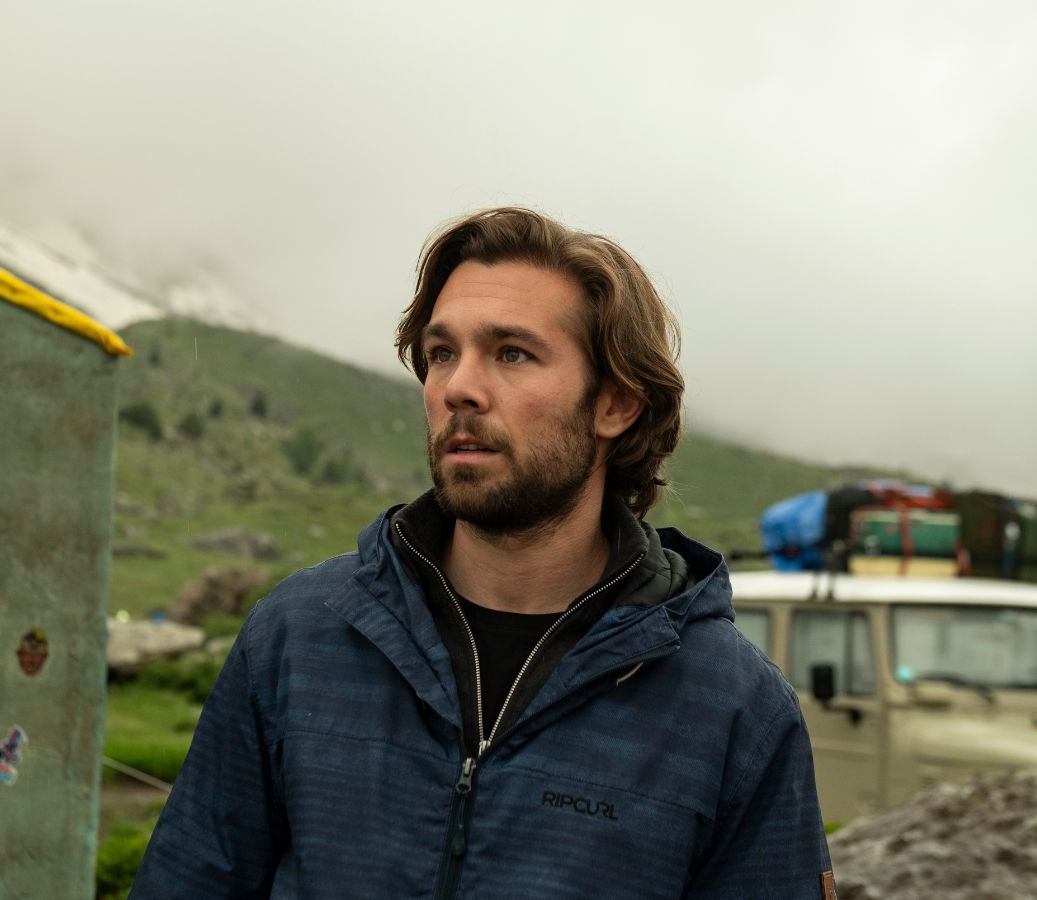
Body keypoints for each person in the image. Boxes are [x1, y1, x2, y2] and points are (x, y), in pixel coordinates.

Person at [130, 208, 835, 899]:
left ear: (616, 404)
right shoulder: (299, 636)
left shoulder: (732, 708)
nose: (458, 388)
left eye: (512, 353)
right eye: (442, 353)